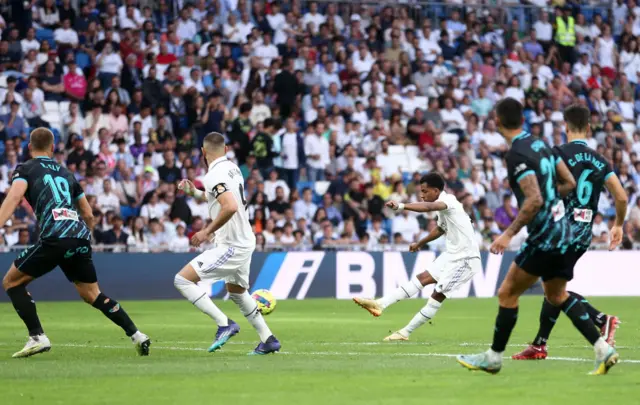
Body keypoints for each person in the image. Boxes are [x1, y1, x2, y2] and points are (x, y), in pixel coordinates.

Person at [456, 98, 618, 375]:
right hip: (565, 232)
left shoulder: (517, 154)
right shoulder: (541, 144)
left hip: (544, 237)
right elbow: (569, 182)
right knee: (557, 295)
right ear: (523, 119)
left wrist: (507, 234)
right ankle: (603, 349)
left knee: (507, 293)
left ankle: (494, 358)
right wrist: (553, 201)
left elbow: (532, 200)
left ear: (497, 121)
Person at [0, 128, 150, 358]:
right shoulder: (67, 173)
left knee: (11, 282)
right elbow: (88, 213)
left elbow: (14, 196)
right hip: (79, 236)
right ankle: (137, 335)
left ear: (30, 148)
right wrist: (85, 237)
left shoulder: (25, 169)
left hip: (55, 236)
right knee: (93, 294)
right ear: (52, 149)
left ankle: (37, 337)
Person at [512, 105, 627, 360]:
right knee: (553, 287)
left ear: (565, 127)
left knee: (555, 291)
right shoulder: (600, 160)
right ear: (588, 128)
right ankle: (540, 344)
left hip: (559, 231)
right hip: (583, 234)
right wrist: (618, 225)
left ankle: (601, 320)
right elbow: (620, 196)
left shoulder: (556, 155)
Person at [175, 132, 280, 355]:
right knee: (237, 292)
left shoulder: (213, 175)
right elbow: (219, 198)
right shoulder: (233, 169)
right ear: (225, 150)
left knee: (182, 280)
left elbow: (229, 206)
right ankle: (268, 339)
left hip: (231, 245)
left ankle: (224, 324)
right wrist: (193, 191)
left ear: (203, 152)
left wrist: (205, 231)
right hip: (244, 239)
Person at [352, 172, 481, 341]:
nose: (422, 195)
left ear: (436, 191)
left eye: (425, 191)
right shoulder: (442, 206)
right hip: (452, 254)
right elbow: (441, 229)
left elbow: (427, 208)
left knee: (437, 294)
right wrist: (420, 243)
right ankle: (380, 304)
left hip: (466, 259)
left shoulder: (448, 201)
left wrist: (401, 206)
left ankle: (405, 332)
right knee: (422, 278)